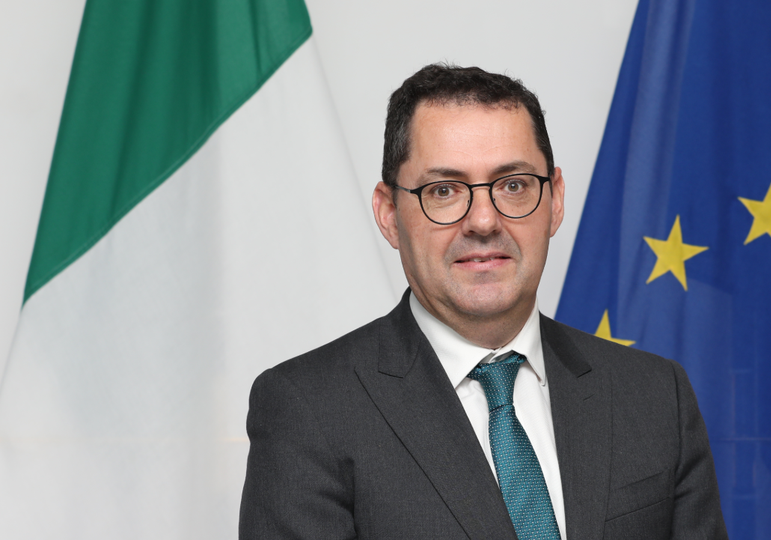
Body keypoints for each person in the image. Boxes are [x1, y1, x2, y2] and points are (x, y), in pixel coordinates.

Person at [239, 64, 727, 540]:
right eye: (444, 190)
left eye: (513, 185)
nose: (484, 221)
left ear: (555, 200)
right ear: (389, 214)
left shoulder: (657, 395)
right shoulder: (308, 409)